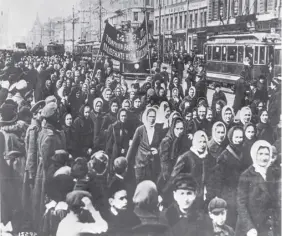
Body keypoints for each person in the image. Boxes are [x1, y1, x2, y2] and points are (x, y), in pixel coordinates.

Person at [32, 102, 66, 233]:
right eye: (57, 113)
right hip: (49, 170)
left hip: (48, 169)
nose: (59, 115)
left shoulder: (46, 131)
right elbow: (47, 157)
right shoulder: (50, 135)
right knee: (47, 198)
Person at [235, 140, 280, 236]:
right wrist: (249, 227)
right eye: (260, 154)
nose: (264, 158)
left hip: (269, 225)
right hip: (252, 226)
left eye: (267, 154)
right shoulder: (246, 175)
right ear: (255, 155)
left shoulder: (273, 173)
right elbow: (241, 204)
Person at [210, 126, 245, 228]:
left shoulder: (243, 152)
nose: (239, 140)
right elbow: (218, 178)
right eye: (236, 137)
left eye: (241, 137)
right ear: (230, 137)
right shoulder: (224, 156)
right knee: (231, 220)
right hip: (228, 193)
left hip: (241, 191)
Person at [171, 130, 216, 210]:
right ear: (194, 142)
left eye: (204, 142)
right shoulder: (186, 157)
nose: (202, 144)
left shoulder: (210, 158)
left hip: (206, 197)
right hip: (190, 196)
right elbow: (174, 178)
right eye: (199, 142)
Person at [126, 107, 162, 184]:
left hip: (152, 165)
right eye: (150, 116)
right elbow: (132, 147)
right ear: (146, 117)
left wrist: (157, 151)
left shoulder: (158, 130)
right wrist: (126, 162)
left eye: (153, 116)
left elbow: (160, 144)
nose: (152, 118)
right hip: (140, 164)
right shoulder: (140, 130)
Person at [157, 117, 189, 194]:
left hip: (177, 173)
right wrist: (170, 178)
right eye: (177, 128)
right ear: (173, 128)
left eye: (181, 129)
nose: (179, 131)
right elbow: (164, 162)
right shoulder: (166, 141)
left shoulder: (181, 140)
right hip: (167, 175)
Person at [105, 108, 130, 176]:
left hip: (122, 156)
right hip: (113, 155)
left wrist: (124, 148)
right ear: (118, 116)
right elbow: (109, 144)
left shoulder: (126, 128)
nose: (123, 118)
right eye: (122, 116)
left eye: (125, 116)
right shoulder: (113, 127)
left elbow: (125, 142)